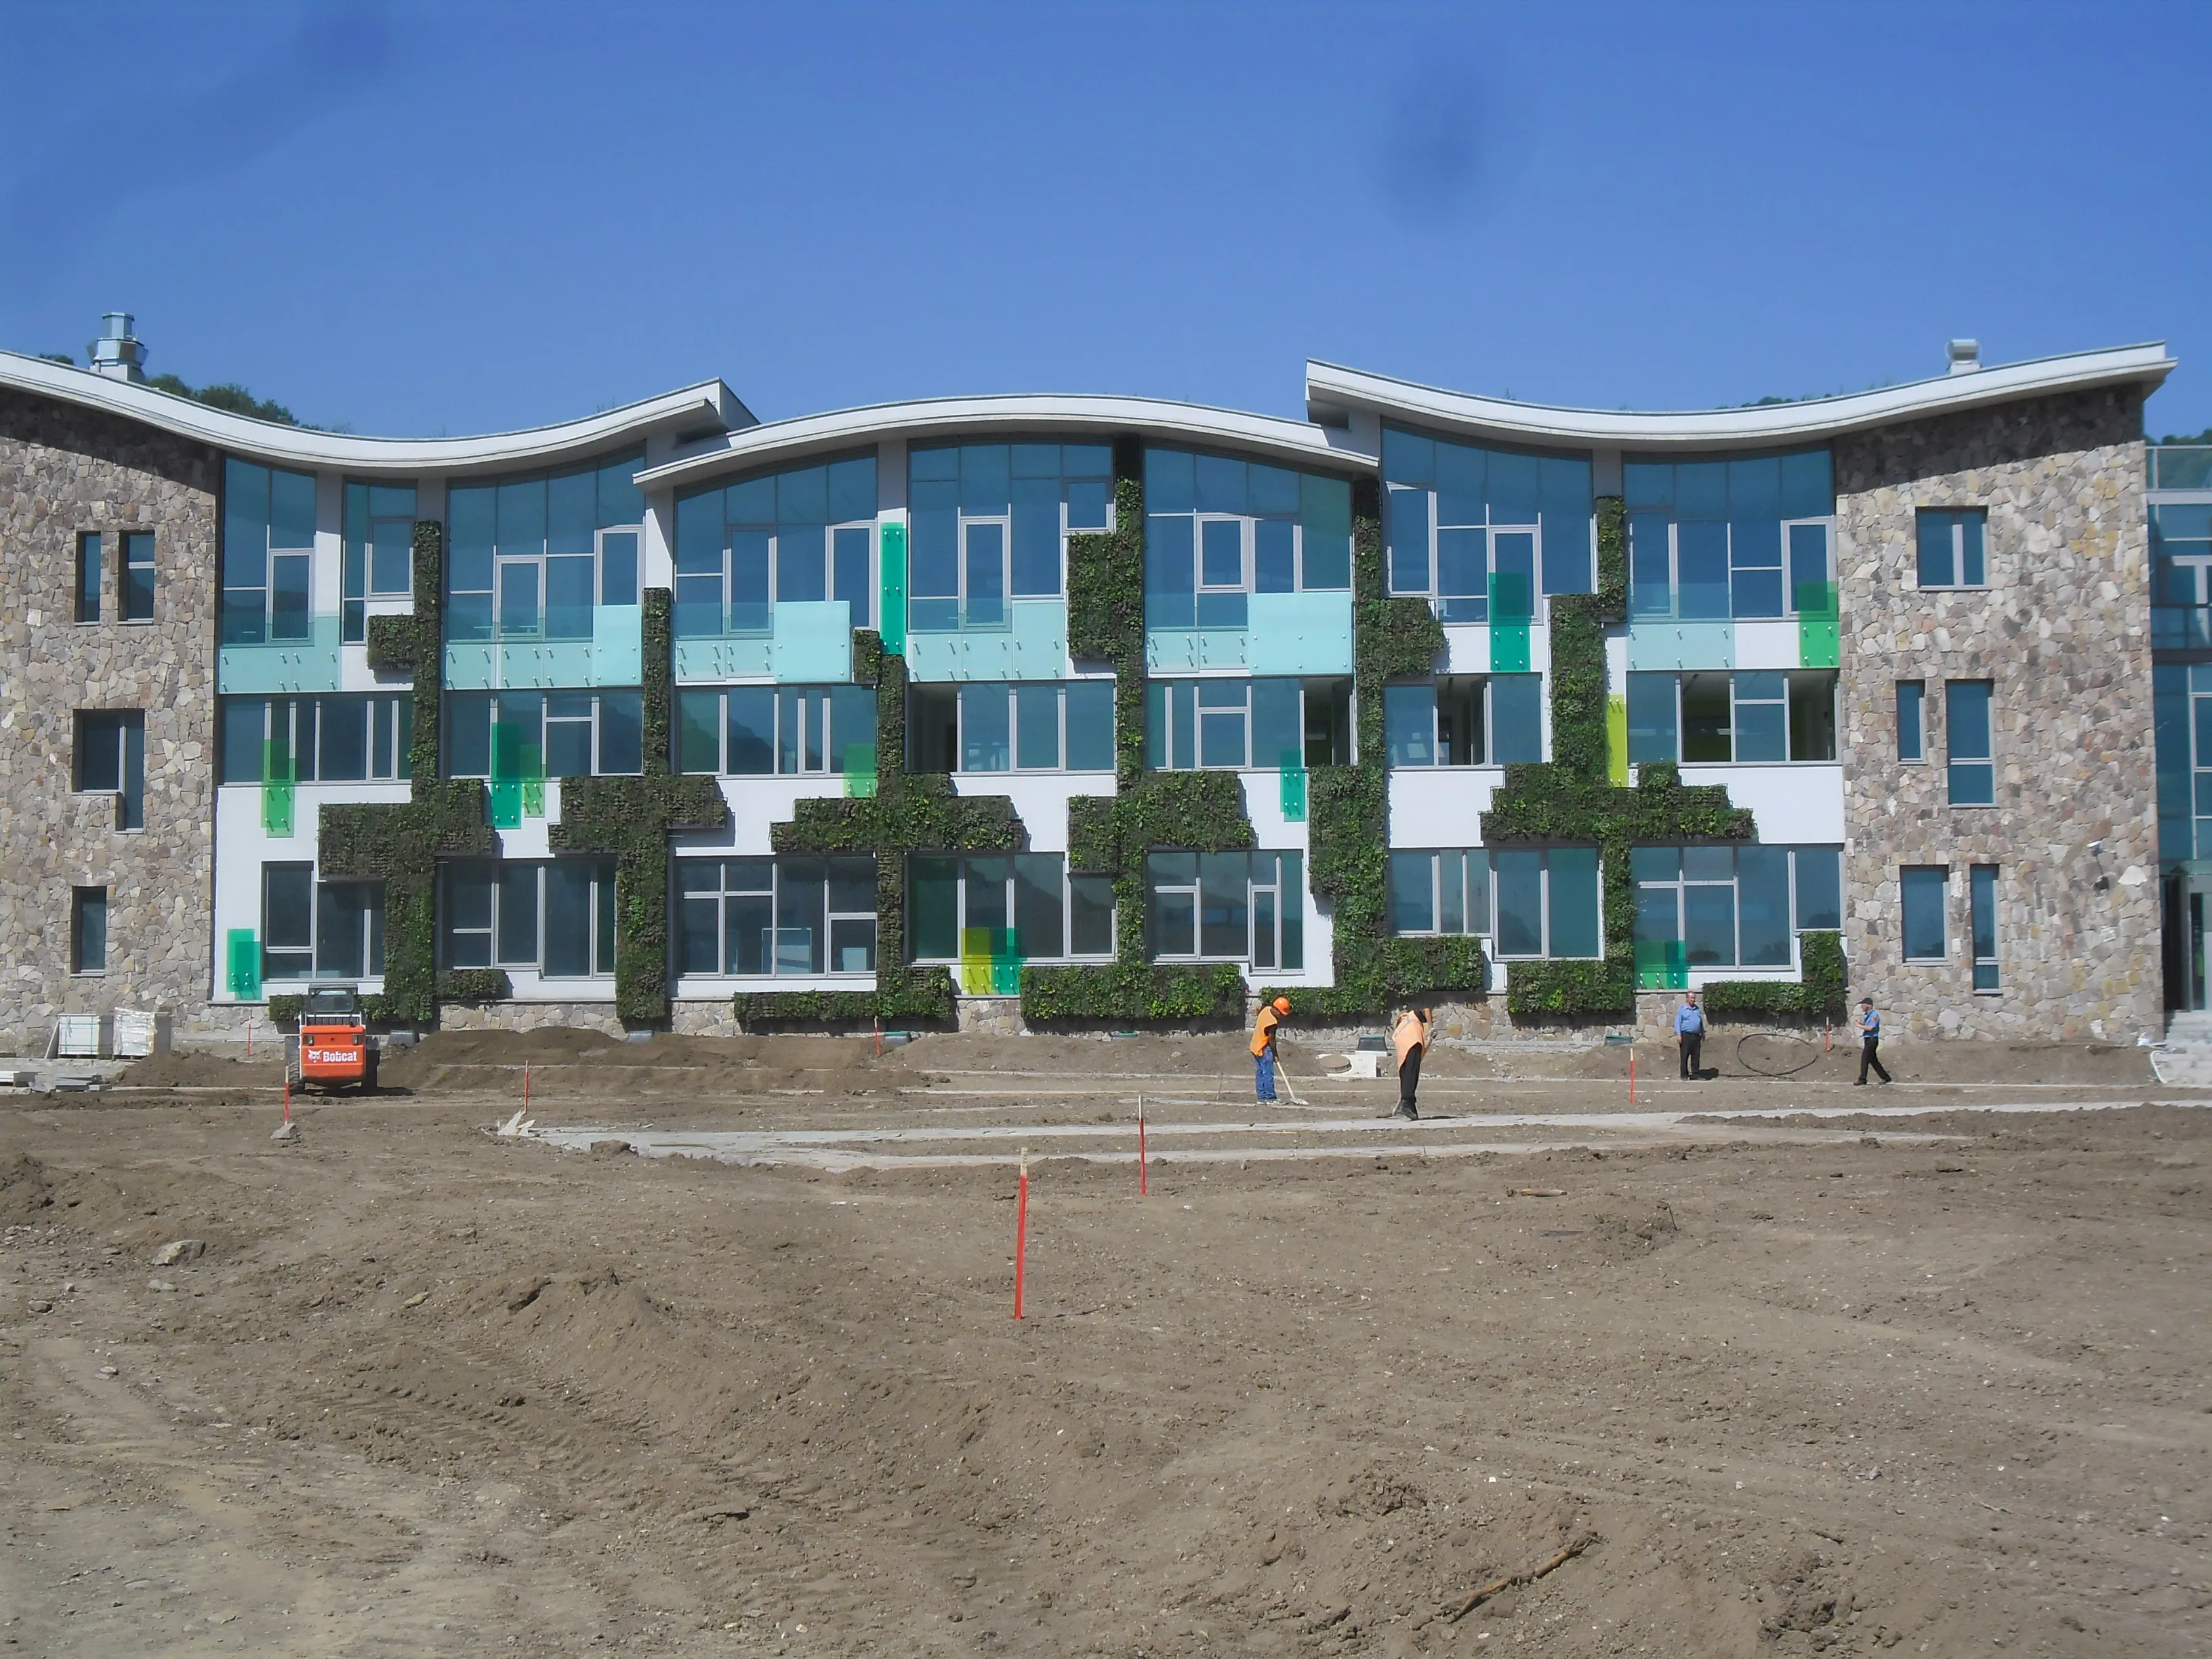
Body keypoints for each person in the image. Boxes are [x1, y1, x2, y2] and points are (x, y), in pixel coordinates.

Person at [1393, 1006, 1433, 1120]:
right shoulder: (1415, 1015)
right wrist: (1431, 1028)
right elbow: (1427, 1010)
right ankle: (1406, 1102)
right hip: (1412, 1041)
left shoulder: (1405, 1021)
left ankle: (1410, 1105)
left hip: (1403, 1043)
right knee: (1412, 1071)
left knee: (1406, 1073)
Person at [1252, 996, 1290, 1103]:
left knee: (1260, 1073)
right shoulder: (1272, 1023)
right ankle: (1271, 1098)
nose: (1281, 1017)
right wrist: (1275, 1055)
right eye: (1281, 1014)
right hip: (1264, 1048)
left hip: (1255, 1046)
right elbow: (1272, 1040)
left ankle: (1261, 1098)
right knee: (1268, 1074)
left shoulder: (1266, 1010)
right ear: (1278, 1010)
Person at [1855, 996, 1891, 1085]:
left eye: (1863, 1005)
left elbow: (1871, 1028)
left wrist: (1858, 1026)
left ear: (1868, 1006)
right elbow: (1868, 1025)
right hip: (1868, 1040)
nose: (1861, 1007)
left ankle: (1862, 1079)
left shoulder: (1874, 1015)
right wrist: (1861, 1023)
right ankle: (1886, 1077)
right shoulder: (1868, 1015)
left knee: (1865, 1059)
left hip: (1872, 1040)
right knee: (1873, 1060)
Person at [1675, 990, 1706, 1080]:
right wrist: (1679, 1035)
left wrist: (1702, 1033)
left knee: (1696, 1056)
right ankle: (1684, 1074)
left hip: (1696, 1036)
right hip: (1686, 1035)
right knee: (1684, 1055)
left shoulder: (1697, 1009)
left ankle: (1695, 1073)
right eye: (1692, 998)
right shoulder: (1682, 1009)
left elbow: (1700, 1022)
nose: (1693, 999)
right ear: (1687, 998)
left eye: (1694, 998)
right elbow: (1678, 1023)